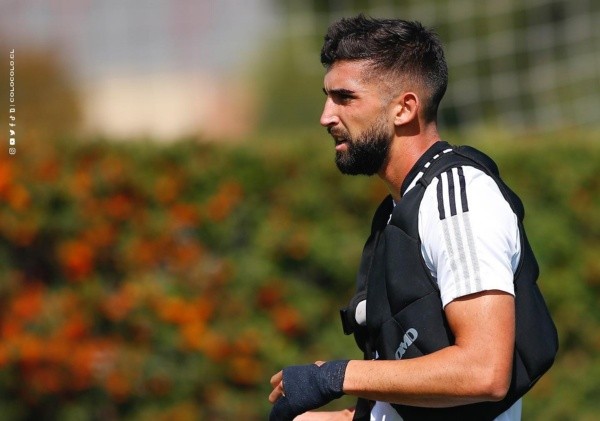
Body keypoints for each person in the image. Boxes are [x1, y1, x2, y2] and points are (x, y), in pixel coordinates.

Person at [268, 15, 556, 421]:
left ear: (404, 109)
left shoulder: (457, 200)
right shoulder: (398, 211)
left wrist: (336, 376)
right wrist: (345, 417)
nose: (326, 116)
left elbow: (484, 371)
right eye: (327, 97)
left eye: (345, 97)